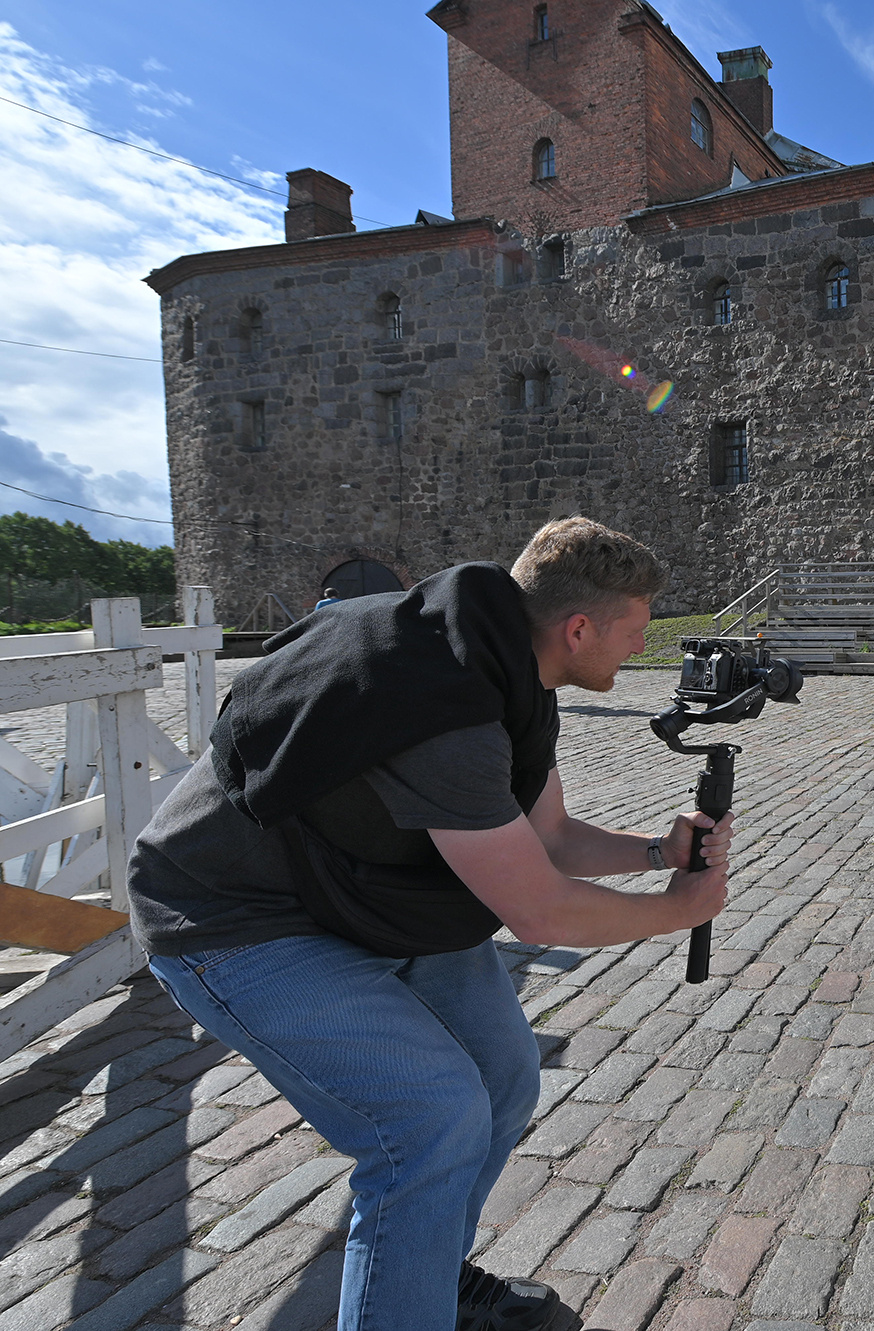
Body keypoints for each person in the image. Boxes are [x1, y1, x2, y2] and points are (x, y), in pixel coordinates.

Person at [130, 518, 733, 1331]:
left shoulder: (507, 665)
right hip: (233, 917)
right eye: (635, 631)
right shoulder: (443, 702)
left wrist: (658, 850)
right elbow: (538, 908)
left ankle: (422, 1277)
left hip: (359, 889)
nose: (641, 648)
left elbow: (549, 836)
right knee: (429, 1120)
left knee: (504, 1071)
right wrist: (675, 911)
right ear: (578, 629)